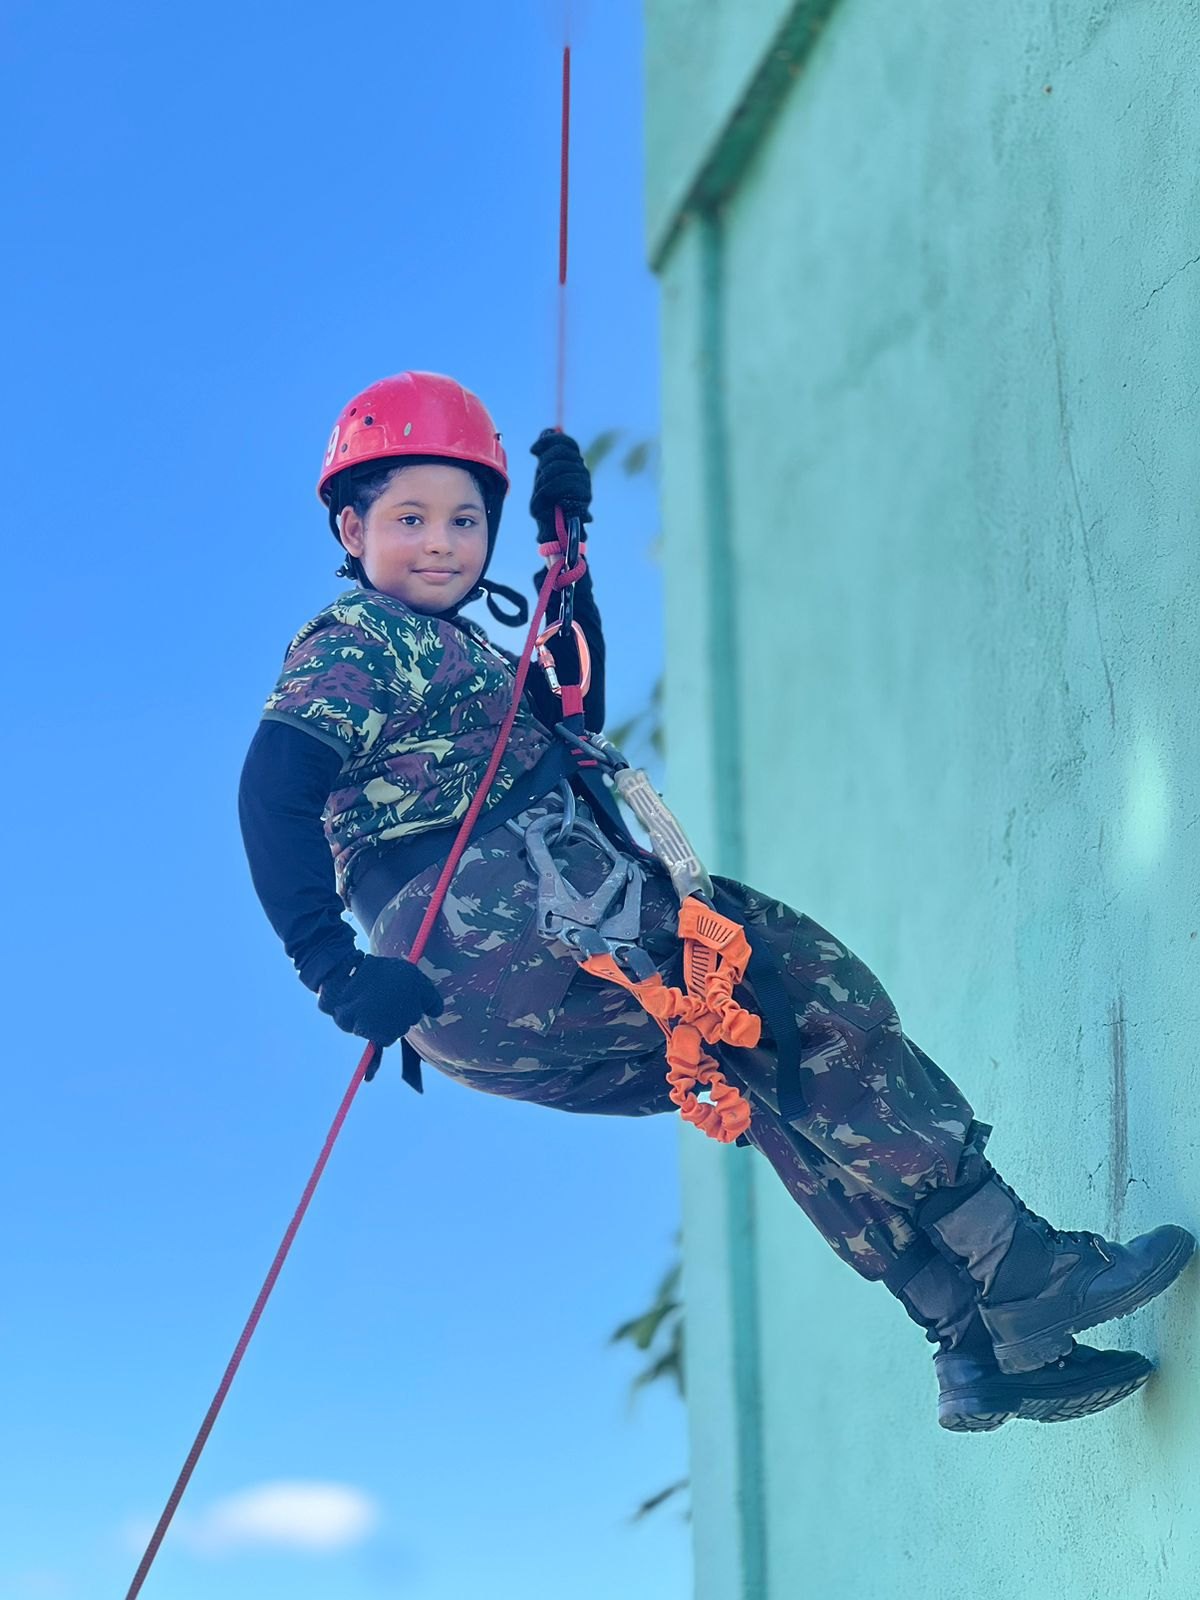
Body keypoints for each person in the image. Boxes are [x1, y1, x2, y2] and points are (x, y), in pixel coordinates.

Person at [239, 370, 1194, 1433]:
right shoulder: (362, 636)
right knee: (799, 995)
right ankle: (1020, 1264)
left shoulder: (456, 654)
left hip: (469, 1006)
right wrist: (330, 966)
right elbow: (272, 785)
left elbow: (570, 711)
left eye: (466, 519)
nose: (441, 542)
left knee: (768, 1066)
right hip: (510, 929)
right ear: (351, 526)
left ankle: (977, 1338)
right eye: (409, 518)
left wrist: (567, 553)